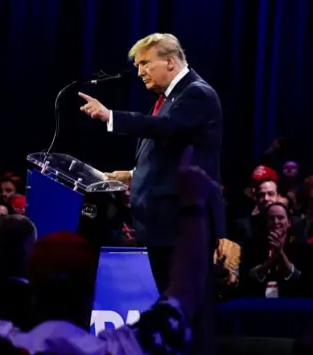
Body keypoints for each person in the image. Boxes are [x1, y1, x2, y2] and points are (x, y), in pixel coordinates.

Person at [0, 146, 216, 355]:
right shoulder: (126, 350)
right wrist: (193, 207)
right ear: (90, 295)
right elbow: (184, 292)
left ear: (33, 288)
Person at [78, 33, 224, 291]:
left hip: (178, 226)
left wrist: (110, 115)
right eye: (137, 66)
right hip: (163, 227)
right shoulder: (170, 98)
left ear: (169, 62)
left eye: (145, 63)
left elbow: (165, 127)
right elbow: (171, 152)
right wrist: (132, 175)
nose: (140, 72)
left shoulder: (197, 94)